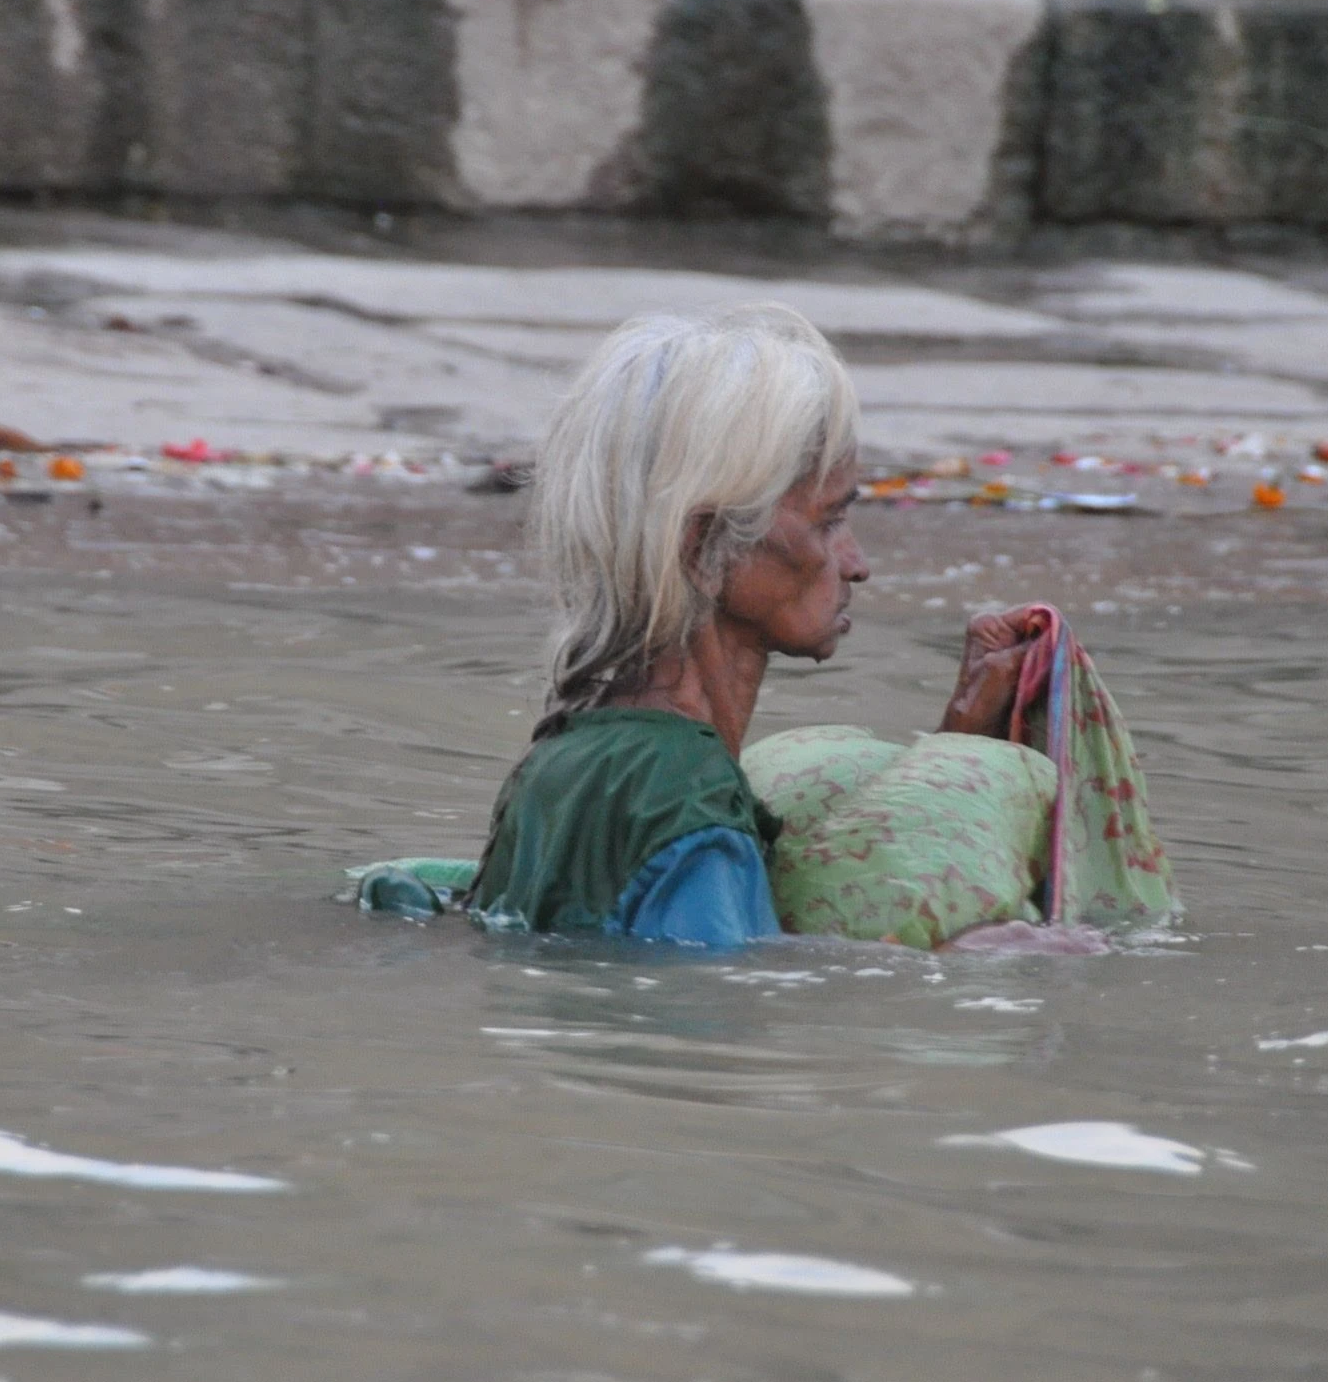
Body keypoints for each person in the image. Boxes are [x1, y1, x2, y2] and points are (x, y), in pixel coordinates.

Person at [459, 303, 1175, 949]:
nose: (857, 565)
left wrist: (967, 726)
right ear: (705, 550)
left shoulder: (567, 754)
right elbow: (712, 1008)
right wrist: (955, 962)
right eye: (829, 520)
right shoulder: (685, 803)